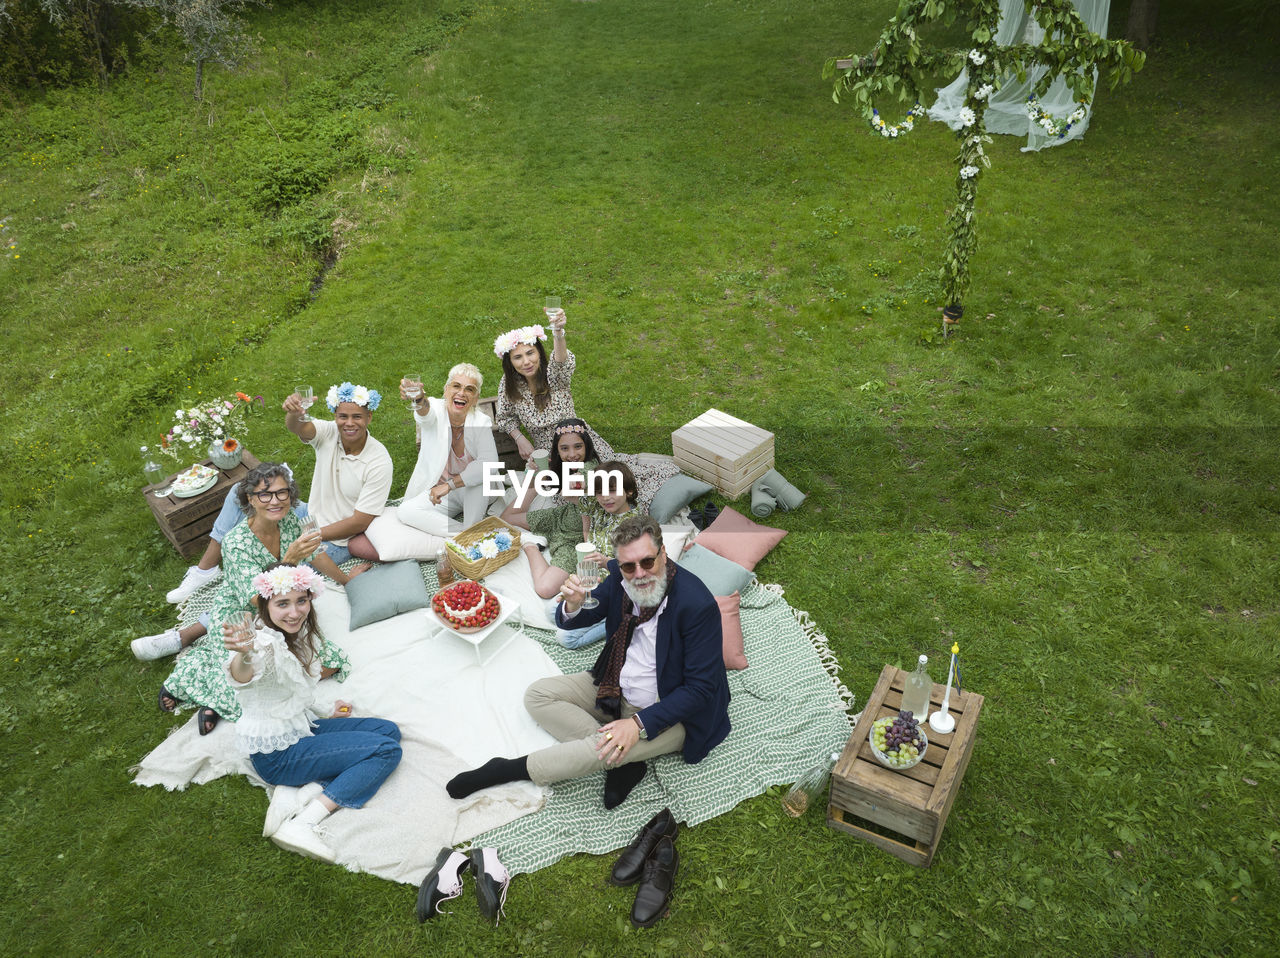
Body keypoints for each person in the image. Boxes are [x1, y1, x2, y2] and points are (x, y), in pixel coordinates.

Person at [446, 515, 730, 810]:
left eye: (648, 562)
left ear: (664, 554)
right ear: (619, 565)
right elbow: (578, 619)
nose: (639, 574)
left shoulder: (697, 605)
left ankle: (507, 769)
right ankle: (624, 762)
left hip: (670, 710)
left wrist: (636, 725)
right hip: (615, 685)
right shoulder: (621, 581)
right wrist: (573, 604)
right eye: (628, 566)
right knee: (538, 695)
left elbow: (700, 690)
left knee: (601, 749)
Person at [133, 381, 392, 661]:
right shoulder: (331, 432)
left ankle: (186, 635)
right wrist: (295, 411)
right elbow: (298, 427)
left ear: (370, 418)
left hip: (332, 537)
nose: (349, 423)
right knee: (240, 490)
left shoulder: (379, 461)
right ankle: (204, 569)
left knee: (265, 587)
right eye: (343, 416)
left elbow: (360, 521)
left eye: (357, 417)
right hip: (307, 517)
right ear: (335, 416)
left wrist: (313, 545)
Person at [140, 465, 370, 734]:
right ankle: (194, 675)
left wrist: (346, 580)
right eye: (265, 495)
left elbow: (315, 554)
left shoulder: (291, 521)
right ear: (250, 499)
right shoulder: (236, 543)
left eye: (282, 492)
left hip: (283, 612)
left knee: (331, 663)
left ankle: (218, 684)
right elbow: (255, 600)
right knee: (253, 699)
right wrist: (290, 560)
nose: (275, 500)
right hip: (242, 618)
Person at [223, 562, 401, 863]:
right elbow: (242, 675)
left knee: (388, 731)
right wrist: (243, 654)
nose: (295, 612)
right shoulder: (262, 644)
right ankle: (304, 822)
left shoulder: (296, 633)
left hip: (301, 728)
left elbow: (295, 691)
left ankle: (301, 790)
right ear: (265, 605)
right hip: (278, 754)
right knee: (386, 751)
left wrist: (326, 710)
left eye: (301, 601)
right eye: (283, 603)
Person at [492, 312, 679, 513]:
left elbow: (562, 363)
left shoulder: (553, 375)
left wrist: (558, 332)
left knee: (612, 482)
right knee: (569, 498)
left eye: (530, 353)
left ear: (539, 353)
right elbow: (504, 417)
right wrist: (519, 438)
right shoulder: (508, 384)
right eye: (518, 357)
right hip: (549, 453)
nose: (526, 362)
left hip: (578, 441)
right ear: (509, 361)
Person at [397, 363, 501, 536]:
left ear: (475, 398)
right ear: (446, 390)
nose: (461, 393)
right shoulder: (436, 409)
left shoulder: (480, 421)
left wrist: (449, 485)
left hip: (474, 492)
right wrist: (418, 398)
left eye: (469, 389)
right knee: (406, 511)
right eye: (456, 386)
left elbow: (489, 464)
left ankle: (470, 532)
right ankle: (468, 535)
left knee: (480, 478)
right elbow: (425, 414)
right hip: (444, 496)